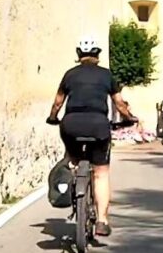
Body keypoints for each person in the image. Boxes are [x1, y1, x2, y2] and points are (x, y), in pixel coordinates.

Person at [46, 35, 137, 237]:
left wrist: (53, 117)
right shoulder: (107, 76)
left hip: (71, 125)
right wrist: (129, 117)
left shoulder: (69, 75)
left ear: (79, 55)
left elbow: (58, 102)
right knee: (101, 173)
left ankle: (72, 173)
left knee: (72, 157)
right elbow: (119, 104)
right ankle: (102, 221)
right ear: (98, 55)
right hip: (98, 126)